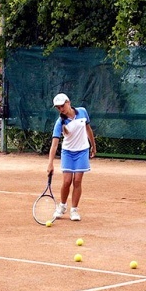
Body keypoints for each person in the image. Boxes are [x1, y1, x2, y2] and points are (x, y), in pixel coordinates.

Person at [47, 93, 96, 221]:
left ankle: (74, 210)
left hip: (82, 151)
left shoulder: (82, 112)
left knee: (78, 181)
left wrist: (93, 145)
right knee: (67, 181)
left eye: (62, 106)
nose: (61, 109)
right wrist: (50, 163)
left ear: (68, 102)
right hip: (68, 152)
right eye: (58, 107)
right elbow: (54, 144)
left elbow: (88, 129)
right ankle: (62, 206)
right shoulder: (60, 122)